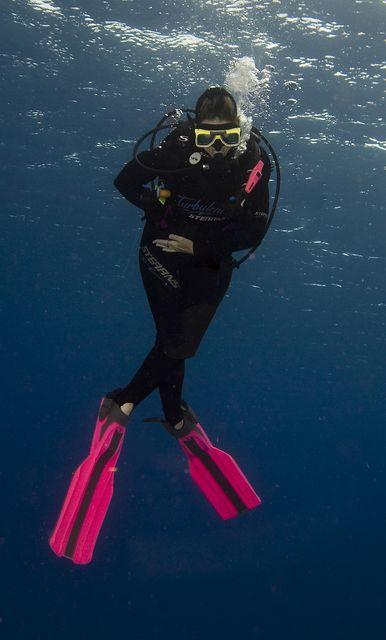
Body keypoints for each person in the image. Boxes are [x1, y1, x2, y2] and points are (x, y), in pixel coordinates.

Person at [49, 87, 269, 564]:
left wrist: (199, 246)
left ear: (240, 130)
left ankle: (137, 407)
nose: (216, 148)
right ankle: (144, 409)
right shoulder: (175, 149)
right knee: (176, 341)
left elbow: (254, 228)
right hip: (160, 251)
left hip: (209, 263)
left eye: (226, 137)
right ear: (195, 130)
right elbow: (125, 182)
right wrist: (159, 208)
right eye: (207, 138)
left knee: (177, 343)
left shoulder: (252, 160)